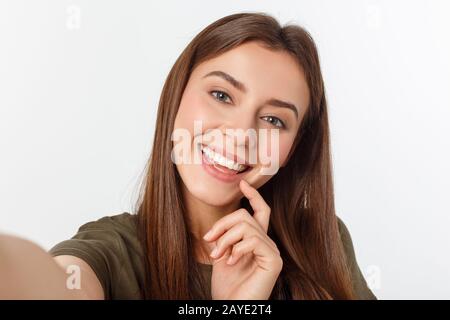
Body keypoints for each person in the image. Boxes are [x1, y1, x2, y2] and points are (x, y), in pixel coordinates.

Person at [0, 12, 376, 300]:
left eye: (274, 119)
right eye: (222, 95)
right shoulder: (115, 253)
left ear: (296, 147)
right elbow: (47, 282)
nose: (241, 134)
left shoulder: (320, 243)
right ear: (176, 94)